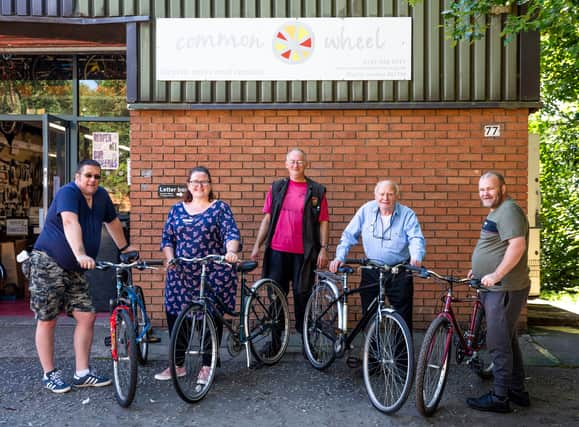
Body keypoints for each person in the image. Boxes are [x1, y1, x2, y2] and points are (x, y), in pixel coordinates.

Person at [25, 159, 135, 393]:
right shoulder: (68, 193)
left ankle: (82, 373)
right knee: (48, 318)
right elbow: (69, 222)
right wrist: (81, 253)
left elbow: (113, 222)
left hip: (75, 269)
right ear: (77, 177)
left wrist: (125, 249)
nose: (93, 180)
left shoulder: (102, 196)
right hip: (48, 263)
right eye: (88, 175)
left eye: (97, 176)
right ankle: (49, 374)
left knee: (87, 316)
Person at [155, 166, 240, 383]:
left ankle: (207, 364)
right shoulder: (176, 209)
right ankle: (177, 364)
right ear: (188, 185)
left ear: (210, 185)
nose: (199, 185)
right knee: (177, 316)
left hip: (212, 271)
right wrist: (170, 258)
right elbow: (167, 238)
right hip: (181, 272)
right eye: (195, 181)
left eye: (204, 182)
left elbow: (231, 232)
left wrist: (230, 251)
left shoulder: (220, 208)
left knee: (209, 317)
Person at [251, 148, 329, 354]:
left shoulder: (317, 190)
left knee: (303, 296)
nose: (296, 165)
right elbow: (267, 219)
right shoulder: (277, 187)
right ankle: (276, 343)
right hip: (277, 251)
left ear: (306, 164)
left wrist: (323, 248)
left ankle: (307, 344)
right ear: (286, 164)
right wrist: (257, 245)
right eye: (292, 161)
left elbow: (323, 222)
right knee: (276, 297)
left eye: (300, 161)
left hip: (304, 254)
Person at [466, 172, 531, 413]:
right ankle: (517, 391)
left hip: (503, 289)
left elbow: (517, 246)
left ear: (503, 188)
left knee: (498, 343)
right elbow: (497, 245)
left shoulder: (509, 210)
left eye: (490, 189)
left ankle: (500, 397)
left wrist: (496, 275)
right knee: (508, 339)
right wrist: (479, 268)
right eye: (481, 189)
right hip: (496, 288)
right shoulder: (499, 211)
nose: (485, 193)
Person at [329, 180, 425, 331]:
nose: (385, 198)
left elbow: (415, 238)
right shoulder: (366, 210)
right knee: (370, 315)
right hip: (371, 270)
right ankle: (371, 353)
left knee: (402, 316)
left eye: (390, 194)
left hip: (398, 272)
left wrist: (416, 256)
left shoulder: (407, 214)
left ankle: (401, 354)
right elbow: (349, 234)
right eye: (381, 194)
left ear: (397, 196)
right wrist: (340, 257)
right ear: (375, 195)